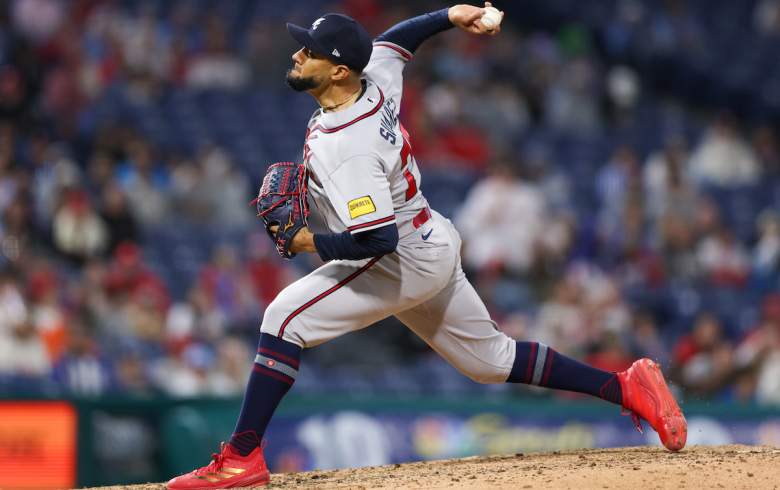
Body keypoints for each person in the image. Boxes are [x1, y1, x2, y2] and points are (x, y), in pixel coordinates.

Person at [167, 4, 686, 488]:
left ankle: (241, 455)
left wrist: (307, 240)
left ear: (339, 71)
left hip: (401, 258)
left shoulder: (348, 147)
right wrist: (450, 15)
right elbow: (394, 42)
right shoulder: (374, 80)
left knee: (283, 320)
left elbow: (376, 239)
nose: (297, 54)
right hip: (432, 237)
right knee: (491, 360)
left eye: (310, 51)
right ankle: (627, 386)